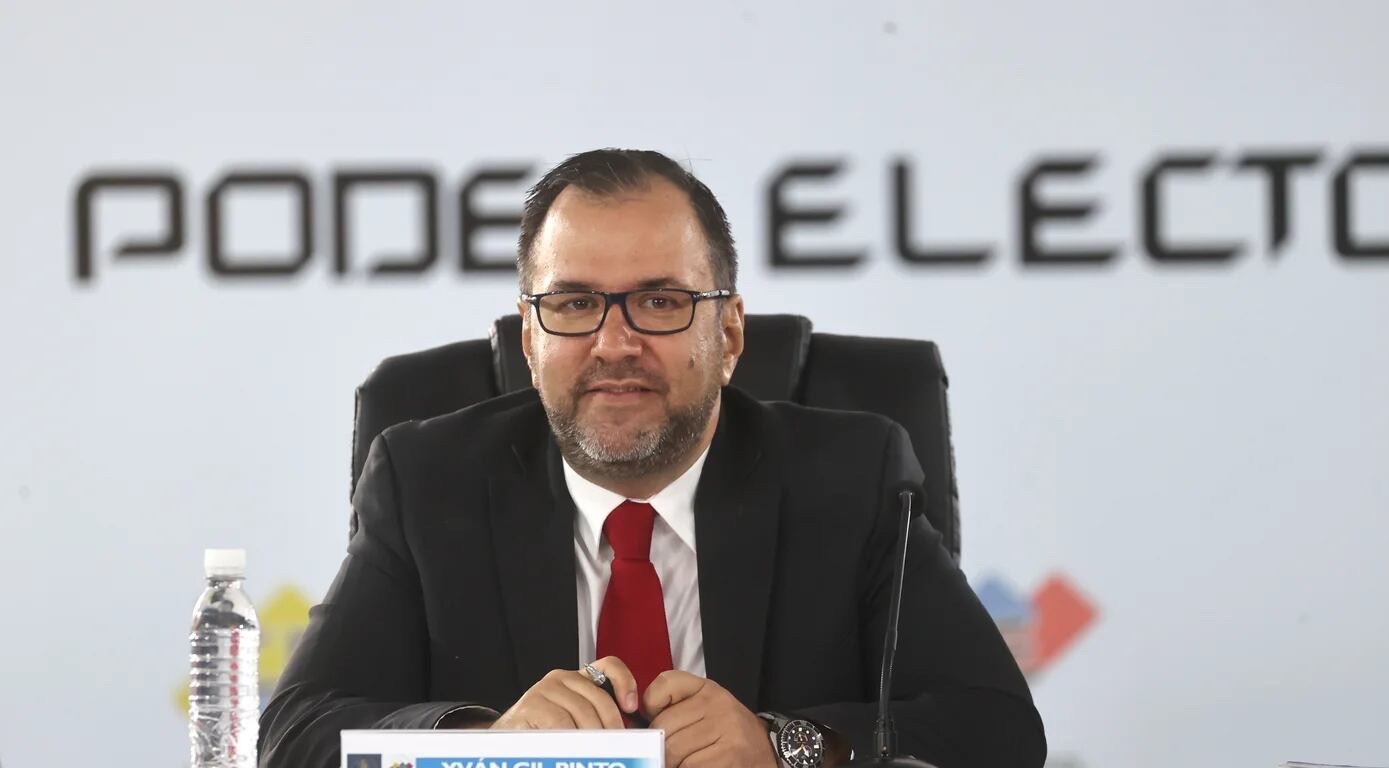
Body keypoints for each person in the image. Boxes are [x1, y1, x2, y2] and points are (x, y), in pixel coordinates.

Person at [258, 148, 1045, 768]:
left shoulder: (850, 477)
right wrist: (488, 744)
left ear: (729, 334)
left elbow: (997, 729)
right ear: (529, 339)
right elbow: (295, 735)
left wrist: (784, 746)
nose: (614, 343)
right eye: (574, 303)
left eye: (660, 302)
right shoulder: (429, 482)